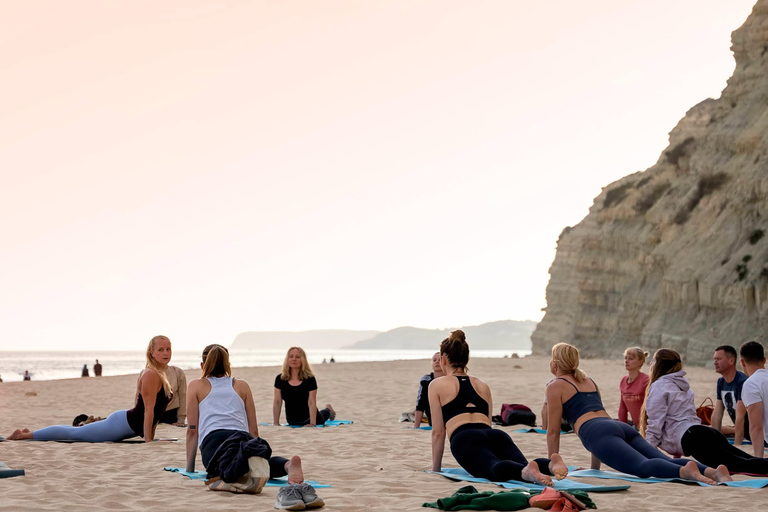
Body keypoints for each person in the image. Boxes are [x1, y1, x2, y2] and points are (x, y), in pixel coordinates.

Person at [545, 342, 730, 484]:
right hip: (619, 426)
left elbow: (553, 431)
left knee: (641, 467)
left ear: (555, 364)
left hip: (597, 432)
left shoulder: (555, 385)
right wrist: (595, 469)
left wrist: (552, 463)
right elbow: (599, 421)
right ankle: (713, 471)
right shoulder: (588, 381)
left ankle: (684, 472)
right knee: (662, 460)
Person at [186, 344, 324, 509]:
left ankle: (264, 467)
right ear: (228, 364)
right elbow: (254, 429)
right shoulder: (241, 385)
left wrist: (190, 469)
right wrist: (255, 447)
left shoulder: (195, 385)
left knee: (226, 470)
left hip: (213, 441)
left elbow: (192, 432)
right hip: (242, 437)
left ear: (203, 365)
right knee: (254, 463)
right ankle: (286, 465)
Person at [429, 330, 567, 486]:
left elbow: (438, 432)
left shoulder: (436, 385)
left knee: (493, 469)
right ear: (466, 359)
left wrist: (436, 468)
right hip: (495, 435)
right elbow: (487, 423)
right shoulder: (482, 385)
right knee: (522, 465)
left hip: (464, 438)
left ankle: (530, 471)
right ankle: (549, 464)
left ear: (443, 359)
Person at [6, 335, 173, 442]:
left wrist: (151, 437)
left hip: (125, 424)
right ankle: (23, 435)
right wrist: (149, 441)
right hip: (120, 426)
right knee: (74, 435)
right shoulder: (151, 374)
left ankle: (31, 433)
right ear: (152, 353)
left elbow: (155, 411)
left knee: (75, 431)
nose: (166, 353)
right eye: (161, 349)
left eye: (168, 349)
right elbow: (149, 411)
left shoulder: (159, 374)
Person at [640, 349, 767, 474]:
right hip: (704, 432)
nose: (650, 364)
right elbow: (680, 420)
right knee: (748, 461)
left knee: (740, 466)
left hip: (694, 439)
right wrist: (676, 457)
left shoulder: (658, 386)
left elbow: (655, 425)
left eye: (653, 361)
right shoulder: (683, 385)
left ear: (660, 365)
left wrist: (646, 455)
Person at [273, 347, 335, 427]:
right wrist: (276, 423)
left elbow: (312, 402)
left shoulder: (310, 379)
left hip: (310, 418)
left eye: (297, 357)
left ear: (302, 360)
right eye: (291, 356)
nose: (294, 359)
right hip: (292, 421)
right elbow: (277, 402)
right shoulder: (280, 379)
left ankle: (328, 409)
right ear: (287, 359)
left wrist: (312, 423)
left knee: (322, 416)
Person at [712, 345, 750, 444]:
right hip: (743, 431)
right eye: (714, 359)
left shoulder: (742, 382)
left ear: (731, 361)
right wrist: (715, 442)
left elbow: (740, 418)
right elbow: (717, 414)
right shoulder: (721, 382)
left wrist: (737, 446)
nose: (715, 362)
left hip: (755, 433)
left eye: (719, 359)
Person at [741, 341, 768, 458]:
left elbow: (756, 426)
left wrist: (758, 460)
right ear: (764, 359)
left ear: (742, 362)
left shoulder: (751, 384)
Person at [618, 347, 649, 428]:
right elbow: (622, 409)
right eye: (625, 358)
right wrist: (622, 429)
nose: (626, 361)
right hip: (636, 426)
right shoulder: (623, 381)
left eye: (631, 358)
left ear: (640, 362)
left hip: (648, 429)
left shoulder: (646, 381)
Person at [414, 352, 444, 427]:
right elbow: (420, 404)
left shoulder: (451, 379)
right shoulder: (426, 380)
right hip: (433, 421)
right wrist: (416, 426)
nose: (437, 362)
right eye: (434, 360)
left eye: (440, 360)